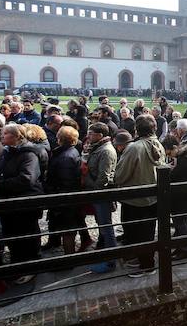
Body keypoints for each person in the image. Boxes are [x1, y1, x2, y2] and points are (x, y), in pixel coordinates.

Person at [0, 124, 44, 284]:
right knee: (13, 235)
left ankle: (30, 267)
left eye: (5, 133)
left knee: (26, 236)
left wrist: (0, 185)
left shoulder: (28, 155)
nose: (1, 136)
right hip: (11, 204)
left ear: (17, 136)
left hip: (25, 204)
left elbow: (27, 179)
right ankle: (17, 264)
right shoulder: (8, 152)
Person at [115, 114, 166, 276]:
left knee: (135, 233)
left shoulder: (134, 148)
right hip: (152, 197)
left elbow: (120, 175)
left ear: (136, 129)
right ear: (154, 128)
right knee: (148, 232)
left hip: (135, 199)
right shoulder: (158, 144)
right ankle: (145, 261)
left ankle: (145, 266)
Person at [83, 123, 118, 273]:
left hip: (101, 194)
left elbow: (104, 177)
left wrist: (93, 190)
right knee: (103, 226)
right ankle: (107, 254)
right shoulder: (99, 147)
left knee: (106, 227)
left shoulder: (106, 151)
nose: (88, 136)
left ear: (100, 135)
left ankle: (111, 261)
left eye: (91, 133)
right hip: (97, 193)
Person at [163, 119, 187, 261]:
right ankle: (179, 247)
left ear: (173, 148)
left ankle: (184, 249)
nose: (169, 155)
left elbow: (179, 175)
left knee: (181, 222)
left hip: (183, 195)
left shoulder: (186, 159)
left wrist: (171, 172)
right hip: (182, 195)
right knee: (179, 222)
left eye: (168, 152)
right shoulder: (183, 156)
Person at [44, 126, 84, 254]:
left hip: (64, 199)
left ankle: (68, 259)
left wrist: (54, 195)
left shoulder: (65, 157)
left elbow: (65, 181)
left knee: (68, 230)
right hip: (65, 197)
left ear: (60, 139)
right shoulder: (70, 151)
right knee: (66, 228)